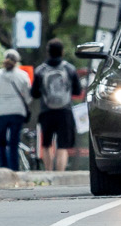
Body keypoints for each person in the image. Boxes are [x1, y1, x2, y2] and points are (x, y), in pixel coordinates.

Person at [32, 38, 83, 171]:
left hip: (46, 111)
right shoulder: (70, 69)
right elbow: (77, 91)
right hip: (64, 111)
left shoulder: (40, 70)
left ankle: (48, 172)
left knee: (47, 144)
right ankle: (60, 173)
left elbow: (34, 93)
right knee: (62, 146)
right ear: (62, 52)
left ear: (48, 52)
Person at [0, 49, 33, 170]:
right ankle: (14, 169)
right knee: (14, 142)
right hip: (17, 112)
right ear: (17, 61)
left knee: (1, 142)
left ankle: (3, 168)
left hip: (0, 112)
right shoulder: (22, 75)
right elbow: (28, 97)